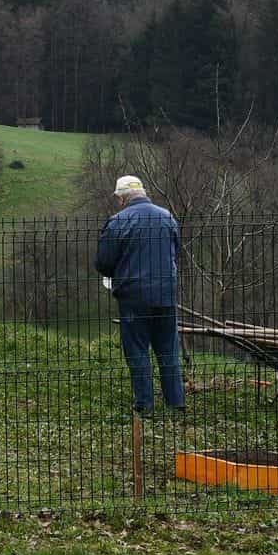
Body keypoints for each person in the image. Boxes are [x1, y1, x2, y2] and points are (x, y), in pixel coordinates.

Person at [95, 174, 185, 414]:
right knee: (168, 349)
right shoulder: (167, 217)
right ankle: (176, 401)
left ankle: (144, 404)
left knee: (137, 349)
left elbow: (103, 262)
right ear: (143, 193)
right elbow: (175, 252)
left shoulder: (117, 221)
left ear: (122, 198)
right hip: (165, 294)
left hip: (134, 296)